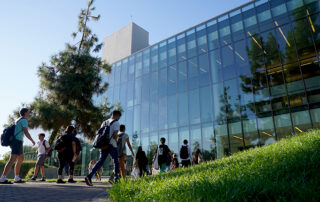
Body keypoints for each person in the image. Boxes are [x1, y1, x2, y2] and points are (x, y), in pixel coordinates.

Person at [85, 110, 121, 186]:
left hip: (103, 145)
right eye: (119, 117)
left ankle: (89, 176)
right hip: (111, 144)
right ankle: (116, 179)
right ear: (117, 116)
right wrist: (117, 142)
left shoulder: (104, 122)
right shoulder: (116, 122)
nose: (119, 118)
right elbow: (115, 135)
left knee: (100, 161)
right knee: (116, 161)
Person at [0, 108, 35, 184]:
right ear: (25, 113)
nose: (29, 114)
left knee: (21, 158)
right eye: (28, 112)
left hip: (16, 141)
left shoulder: (18, 120)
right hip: (17, 141)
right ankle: (2, 178)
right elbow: (26, 131)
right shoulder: (24, 120)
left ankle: (17, 177)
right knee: (12, 159)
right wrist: (32, 140)